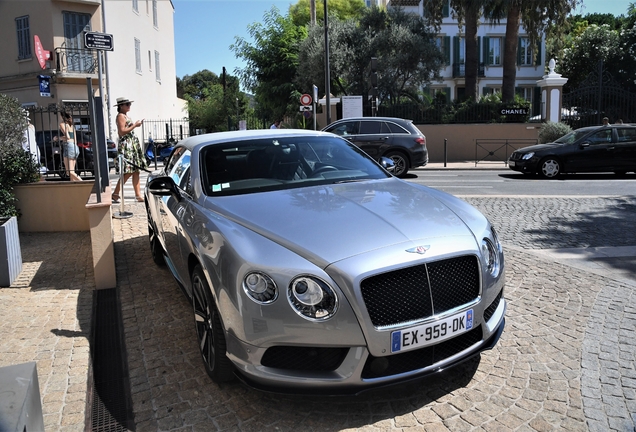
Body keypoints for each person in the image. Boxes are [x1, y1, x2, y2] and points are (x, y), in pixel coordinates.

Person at [111, 97, 147, 203]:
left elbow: (126, 129)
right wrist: (135, 125)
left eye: (129, 104)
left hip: (131, 146)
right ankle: (116, 193)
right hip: (127, 146)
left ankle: (138, 195)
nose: (129, 106)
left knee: (136, 171)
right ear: (121, 106)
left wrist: (134, 125)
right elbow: (122, 132)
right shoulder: (120, 116)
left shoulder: (125, 116)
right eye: (127, 104)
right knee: (128, 172)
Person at [59, 112, 82, 181]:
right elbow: (75, 139)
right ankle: (75, 187)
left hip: (68, 146)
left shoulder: (62, 124)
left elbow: (68, 137)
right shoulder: (72, 126)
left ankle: (82, 182)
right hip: (75, 146)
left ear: (62, 117)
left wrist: (58, 138)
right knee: (71, 171)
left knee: (69, 172)